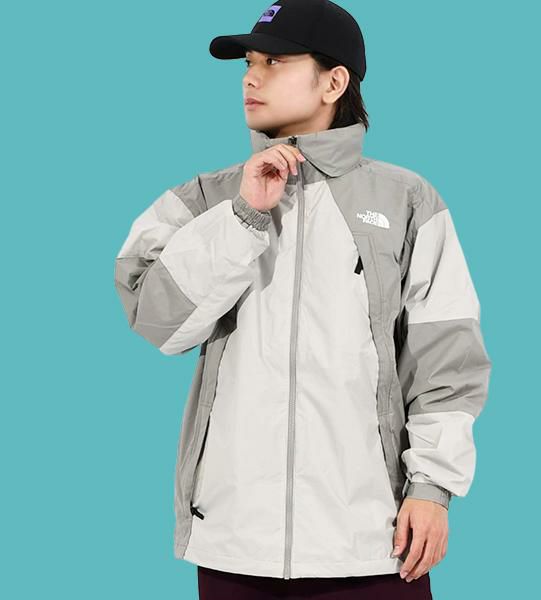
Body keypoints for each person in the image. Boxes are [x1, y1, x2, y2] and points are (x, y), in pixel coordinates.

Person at [114, 1, 492, 598]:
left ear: (333, 82)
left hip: (373, 542)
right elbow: (158, 321)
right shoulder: (205, 199)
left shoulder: (407, 200)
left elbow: (446, 362)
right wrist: (243, 215)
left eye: (274, 62)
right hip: (235, 543)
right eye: (248, 63)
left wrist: (431, 487)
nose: (250, 77)